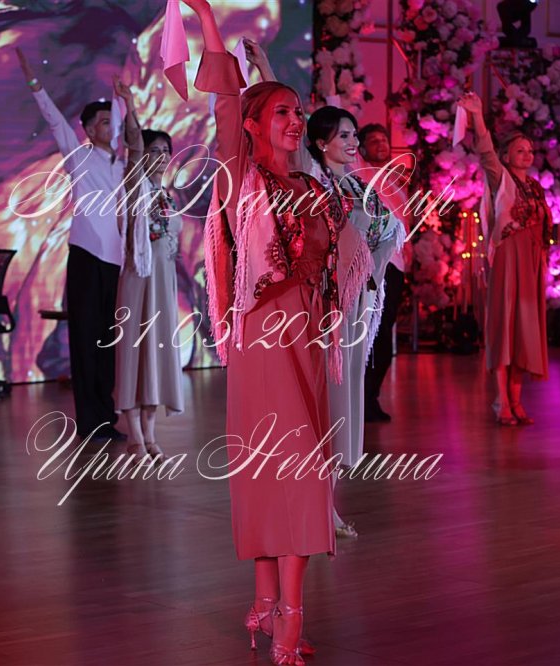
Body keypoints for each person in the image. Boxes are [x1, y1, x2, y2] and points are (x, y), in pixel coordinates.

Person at [184, 1, 371, 663]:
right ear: (255, 125)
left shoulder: (312, 188)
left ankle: (264, 603)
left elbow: (337, 260)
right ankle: (289, 614)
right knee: (294, 476)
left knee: (282, 472)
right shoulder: (243, 178)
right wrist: (208, 19)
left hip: (306, 342)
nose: (296, 121)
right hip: (263, 339)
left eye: (299, 112)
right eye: (283, 112)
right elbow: (226, 102)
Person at [17, 47, 142, 442]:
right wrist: (34, 83)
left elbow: (134, 137)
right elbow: (54, 119)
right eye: (102, 122)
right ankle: (89, 420)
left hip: (115, 261)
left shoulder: (123, 165)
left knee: (108, 342)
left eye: (111, 121)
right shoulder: (78, 156)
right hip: (86, 258)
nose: (109, 127)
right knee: (86, 340)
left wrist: (126, 103)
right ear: (87, 130)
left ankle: (107, 416)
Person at [306, 106, 403, 537]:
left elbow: (387, 229)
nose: (352, 141)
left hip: (353, 303)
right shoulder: (313, 182)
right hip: (324, 307)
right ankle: (317, 508)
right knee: (326, 402)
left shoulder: (358, 185)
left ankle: (327, 506)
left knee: (342, 402)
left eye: (354, 134)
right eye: (343, 135)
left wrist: (368, 264)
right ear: (320, 142)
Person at [458, 92, 551, 426]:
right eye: (520, 150)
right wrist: (477, 115)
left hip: (531, 261)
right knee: (505, 327)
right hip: (509, 261)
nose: (527, 155)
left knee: (525, 330)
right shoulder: (502, 178)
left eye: (530, 150)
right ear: (507, 155)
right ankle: (501, 400)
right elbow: (485, 151)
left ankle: (516, 398)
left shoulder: (536, 188)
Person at [115, 125, 185, 458]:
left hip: (163, 283)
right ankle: (134, 436)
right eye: (154, 151)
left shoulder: (167, 195)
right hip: (138, 280)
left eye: (166, 151)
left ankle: (150, 433)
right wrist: (129, 107)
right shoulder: (135, 187)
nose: (162, 157)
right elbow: (132, 152)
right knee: (134, 352)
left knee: (157, 354)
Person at [356, 123, 410, 422]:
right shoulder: (359, 173)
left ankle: (371, 396)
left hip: (396, 266)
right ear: (361, 147)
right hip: (372, 264)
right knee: (368, 330)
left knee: (385, 332)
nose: (380, 144)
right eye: (373, 140)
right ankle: (360, 397)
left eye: (384, 139)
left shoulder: (395, 183)